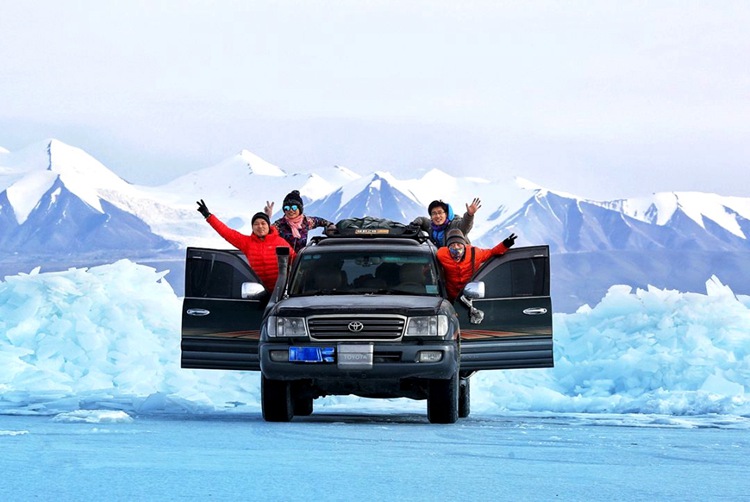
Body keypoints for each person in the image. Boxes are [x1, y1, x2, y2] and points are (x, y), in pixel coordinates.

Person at [196, 199, 295, 291]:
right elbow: (227, 232)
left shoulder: (280, 242)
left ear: (268, 226)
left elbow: (295, 260)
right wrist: (209, 216)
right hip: (259, 292)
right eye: (256, 224)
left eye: (263, 223)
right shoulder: (247, 243)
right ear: (252, 227)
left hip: (281, 291)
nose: (260, 226)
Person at [436, 228, 517, 302]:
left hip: (471, 295)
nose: (456, 248)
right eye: (452, 245)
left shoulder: (475, 253)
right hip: (450, 296)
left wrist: (505, 245)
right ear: (448, 247)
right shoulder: (441, 254)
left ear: (464, 245)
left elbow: (491, 252)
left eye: (458, 244)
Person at [264, 190, 335, 253]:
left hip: (300, 261)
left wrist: (330, 225)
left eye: (294, 207)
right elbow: (266, 233)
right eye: (287, 208)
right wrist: (267, 217)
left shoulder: (307, 221)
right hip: (284, 261)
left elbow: (320, 221)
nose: (290, 210)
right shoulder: (280, 224)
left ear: (300, 209)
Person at [410, 198, 482, 248]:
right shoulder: (431, 226)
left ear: (446, 214)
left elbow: (465, 226)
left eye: (440, 212)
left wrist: (469, 215)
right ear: (431, 216)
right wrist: (416, 223)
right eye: (434, 213)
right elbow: (422, 220)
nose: (437, 216)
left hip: (460, 259)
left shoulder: (454, 225)